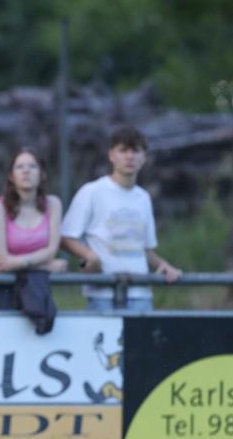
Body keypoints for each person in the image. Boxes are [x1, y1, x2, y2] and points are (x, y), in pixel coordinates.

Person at [61, 126, 182, 312]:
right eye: (123, 150)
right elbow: (66, 237)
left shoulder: (143, 198)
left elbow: (145, 249)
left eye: (135, 151)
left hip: (140, 294)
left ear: (144, 158)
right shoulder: (92, 191)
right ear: (112, 155)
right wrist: (88, 255)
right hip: (103, 295)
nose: (129, 157)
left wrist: (164, 265)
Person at [0, 148, 65, 309]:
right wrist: (45, 267)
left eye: (32, 166)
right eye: (20, 167)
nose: (26, 171)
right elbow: (3, 263)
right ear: (11, 176)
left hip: (37, 292)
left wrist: (19, 262)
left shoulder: (54, 204)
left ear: (42, 174)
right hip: (3, 292)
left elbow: (51, 251)